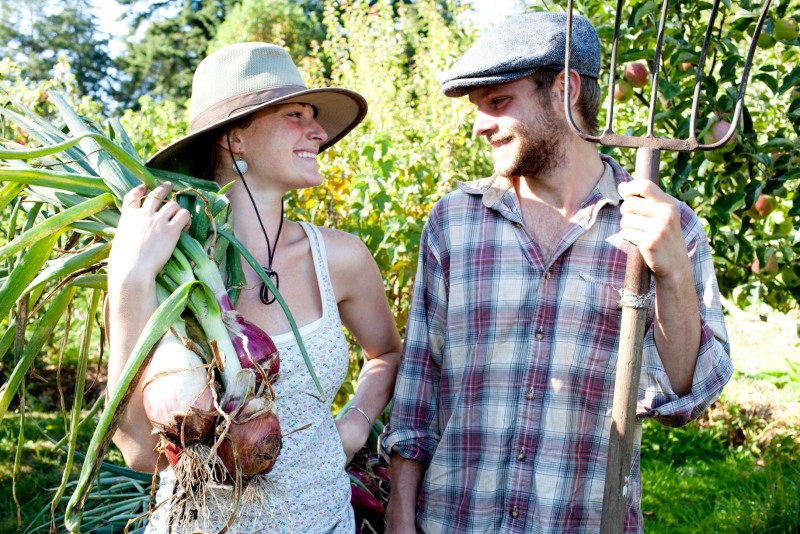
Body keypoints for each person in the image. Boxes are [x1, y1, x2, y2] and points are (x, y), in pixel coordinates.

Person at [381, 11, 732, 533]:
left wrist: (674, 272)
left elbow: (685, 394)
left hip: (581, 519)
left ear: (564, 89)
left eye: (498, 102)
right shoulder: (454, 221)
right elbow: (419, 387)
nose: (480, 124)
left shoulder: (664, 226)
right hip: (455, 518)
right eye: (478, 108)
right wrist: (400, 512)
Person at [106, 42, 402, 532]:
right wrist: (130, 279)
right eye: (295, 114)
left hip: (323, 521)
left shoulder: (340, 258)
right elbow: (140, 452)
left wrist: (355, 423)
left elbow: (387, 353)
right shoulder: (161, 269)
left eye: (315, 116)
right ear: (234, 138)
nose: (319, 132)